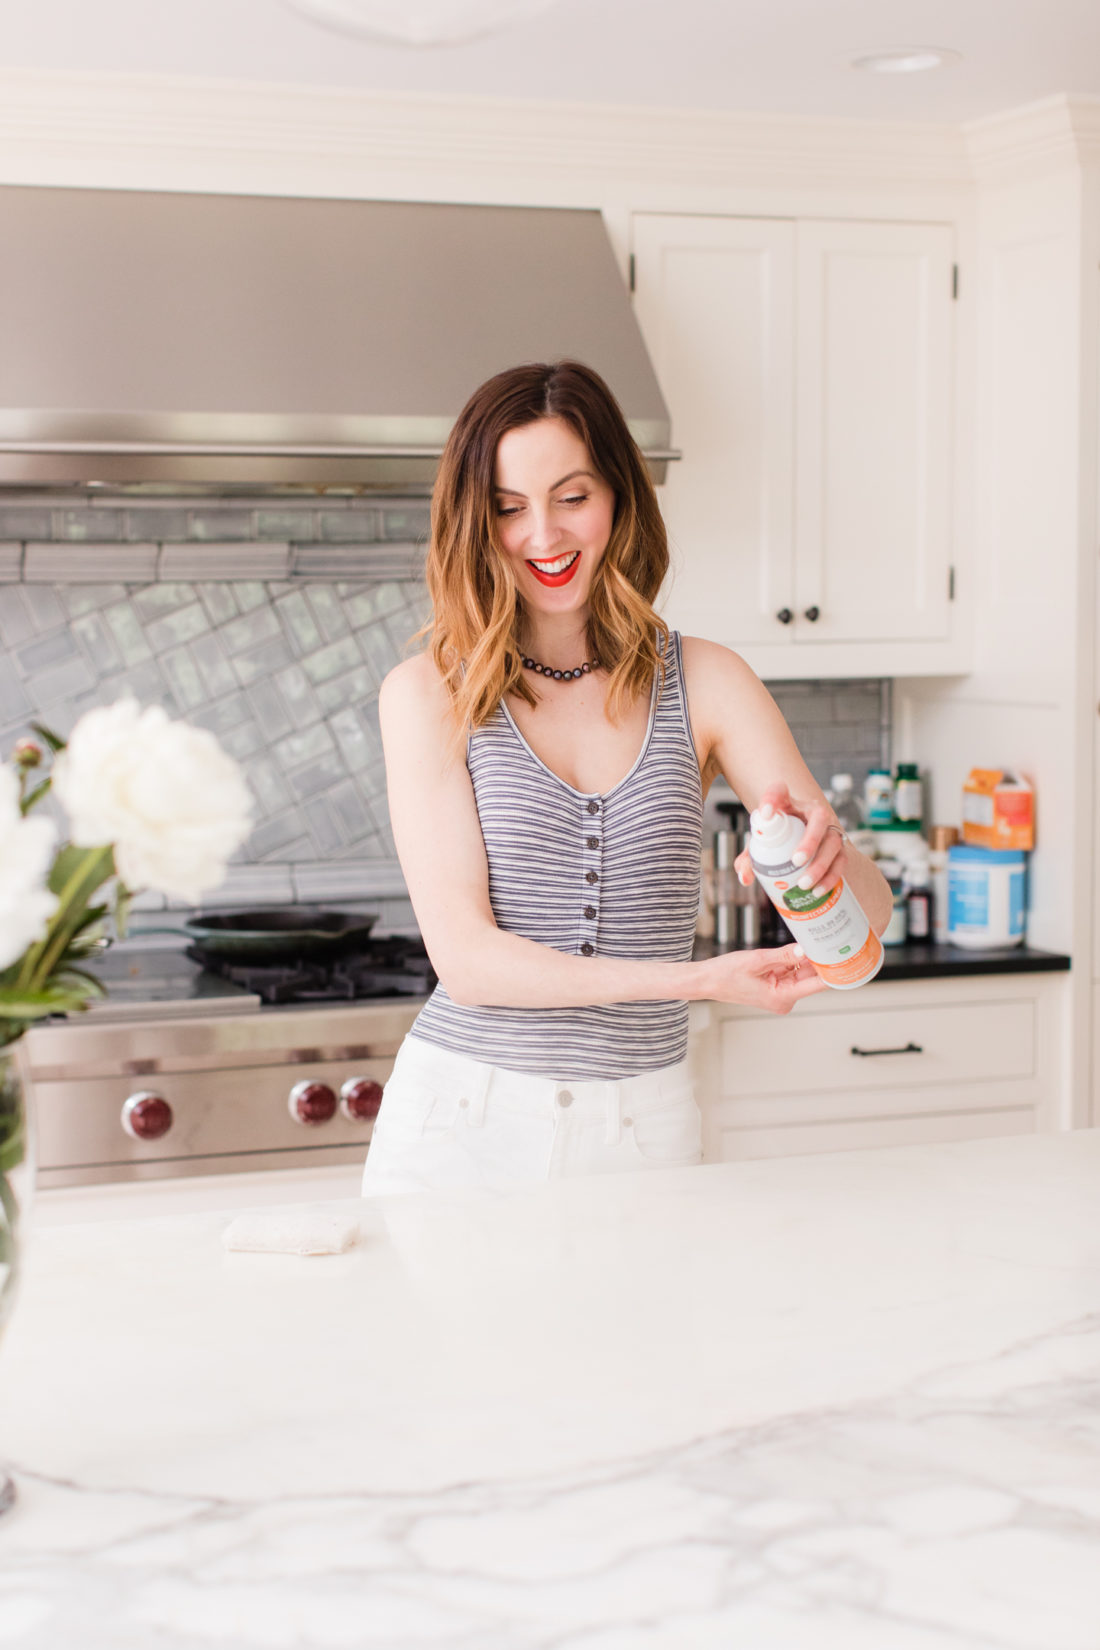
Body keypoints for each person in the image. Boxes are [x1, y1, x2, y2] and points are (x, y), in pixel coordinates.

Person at [361, 359, 892, 1197]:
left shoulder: (709, 681)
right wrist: (698, 981)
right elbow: (468, 963)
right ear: (473, 521)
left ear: (618, 497)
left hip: (645, 1126)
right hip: (462, 1125)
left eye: (572, 498)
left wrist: (830, 871)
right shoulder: (431, 693)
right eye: (508, 508)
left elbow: (871, 914)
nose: (544, 536)